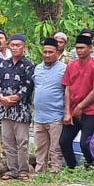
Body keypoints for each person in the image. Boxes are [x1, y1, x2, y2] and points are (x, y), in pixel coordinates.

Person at [61, 34, 94, 168]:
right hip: (73, 110)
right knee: (64, 141)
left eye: (82, 48)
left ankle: (92, 167)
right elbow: (67, 88)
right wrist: (67, 112)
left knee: (85, 143)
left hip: (91, 111)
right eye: (77, 48)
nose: (79, 51)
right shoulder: (71, 66)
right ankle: (72, 168)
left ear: (90, 48)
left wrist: (81, 106)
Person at [0, 34, 36, 179]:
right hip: (5, 109)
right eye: (12, 45)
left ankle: (23, 170)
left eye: (18, 45)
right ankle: (12, 169)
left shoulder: (29, 65)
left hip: (21, 110)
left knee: (22, 141)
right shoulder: (3, 64)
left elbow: (29, 86)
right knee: (8, 141)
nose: (15, 48)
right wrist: (1, 98)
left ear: (23, 47)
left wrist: (15, 98)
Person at [32, 38, 67, 174]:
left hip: (56, 116)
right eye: (45, 52)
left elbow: (68, 92)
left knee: (55, 148)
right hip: (39, 116)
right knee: (40, 147)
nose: (47, 55)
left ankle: (56, 172)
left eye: (50, 52)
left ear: (57, 53)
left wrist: (67, 112)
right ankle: (40, 171)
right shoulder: (37, 68)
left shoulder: (64, 69)